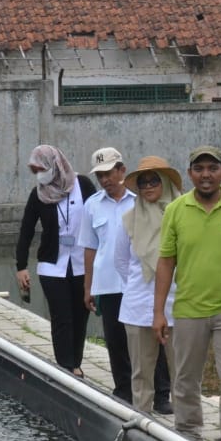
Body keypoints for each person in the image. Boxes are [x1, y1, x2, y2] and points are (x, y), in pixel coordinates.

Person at [153, 145, 221, 441]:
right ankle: (189, 436)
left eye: (213, 168)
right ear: (190, 174)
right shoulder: (176, 210)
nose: (206, 174)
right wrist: (158, 312)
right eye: (199, 169)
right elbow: (166, 262)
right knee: (184, 380)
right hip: (188, 308)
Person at [15, 145, 95, 377]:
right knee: (61, 317)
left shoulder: (84, 186)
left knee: (80, 314)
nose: (40, 174)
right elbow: (26, 230)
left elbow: (97, 220)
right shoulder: (38, 194)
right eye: (35, 170)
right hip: (52, 266)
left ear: (55, 164)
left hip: (82, 263)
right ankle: (66, 366)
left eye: (42, 168)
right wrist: (21, 266)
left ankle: (75, 362)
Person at [115, 156, 178, 415]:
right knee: (141, 372)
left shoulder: (181, 214)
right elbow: (120, 261)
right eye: (143, 183)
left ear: (164, 182)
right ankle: (141, 420)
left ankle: (188, 429)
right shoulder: (129, 218)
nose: (149, 187)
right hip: (139, 305)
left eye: (154, 181)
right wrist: (143, 287)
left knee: (183, 373)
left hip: (178, 304)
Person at [78, 147, 134, 402]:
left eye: (109, 173)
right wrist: (88, 288)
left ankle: (160, 393)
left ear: (122, 170)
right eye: (99, 176)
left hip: (137, 283)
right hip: (108, 284)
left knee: (146, 339)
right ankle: (123, 390)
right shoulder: (91, 206)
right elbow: (90, 249)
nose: (105, 180)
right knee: (115, 340)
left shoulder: (138, 201)